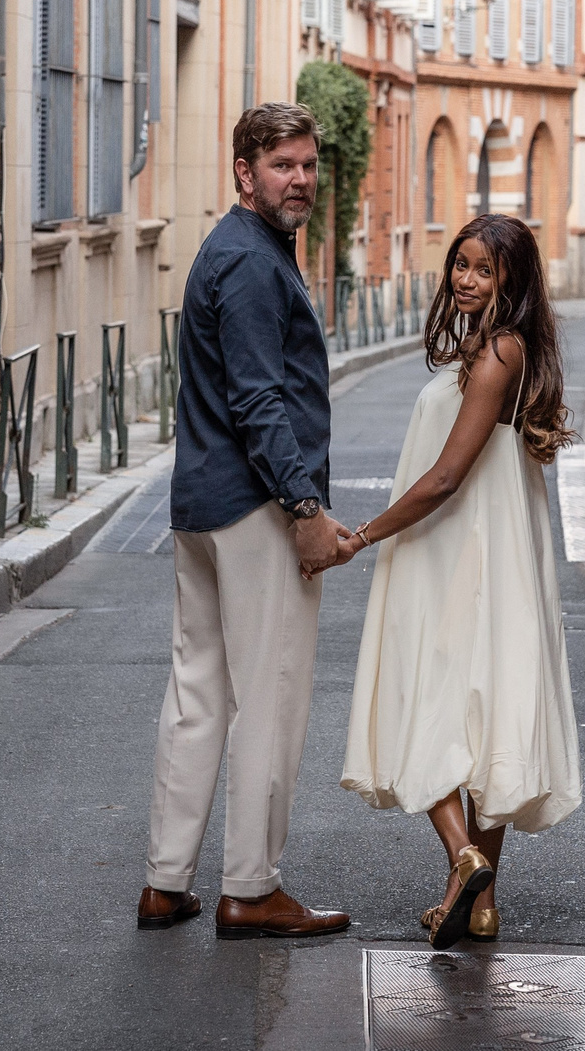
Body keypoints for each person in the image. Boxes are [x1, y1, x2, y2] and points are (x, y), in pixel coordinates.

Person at [138, 103, 356, 941]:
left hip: (202, 503)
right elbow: (260, 400)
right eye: (281, 166)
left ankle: (166, 880)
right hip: (256, 506)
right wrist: (304, 509)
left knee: (197, 693)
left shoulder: (233, 251)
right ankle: (251, 887)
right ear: (244, 172)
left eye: (306, 164)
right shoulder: (255, 264)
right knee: (270, 692)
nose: (299, 178)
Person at [337, 213, 582, 950]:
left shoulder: (498, 353)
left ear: (513, 281)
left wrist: (366, 532)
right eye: (462, 264)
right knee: (487, 709)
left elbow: (445, 476)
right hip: (486, 546)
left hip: (460, 549)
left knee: (430, 699)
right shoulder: (500, 347)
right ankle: (477, 902)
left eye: (484, 269)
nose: (467, 278)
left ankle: (462, 853)